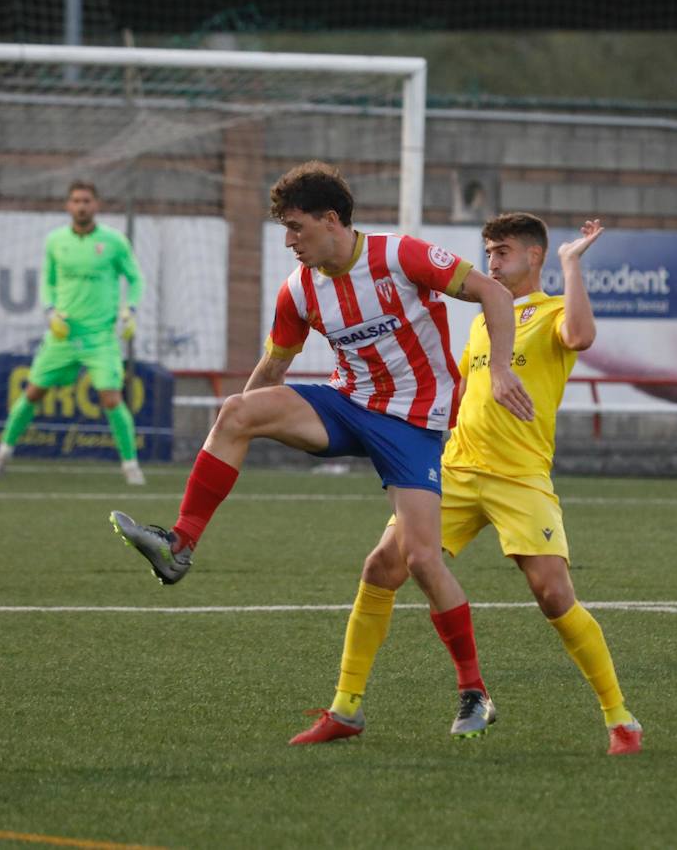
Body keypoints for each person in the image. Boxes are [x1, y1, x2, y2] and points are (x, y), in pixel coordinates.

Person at [108, 161, 535, 738]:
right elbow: (275, 366)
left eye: (295, 228)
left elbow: (490, 292)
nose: (289, 242)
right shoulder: (299, 289)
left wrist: (503, 368)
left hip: (415, 422)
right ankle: (179, 544)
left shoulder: (399, 255)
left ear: (331, 220)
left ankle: (474, 694)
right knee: (235, 409)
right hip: (346, 405)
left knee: (419, 561)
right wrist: (237, 428)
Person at [290, 213, 643, 756]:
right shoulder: (484, 319)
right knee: (381, 566)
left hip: (520, 476)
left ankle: (620, 719)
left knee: (552, 593)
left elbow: (581, 335)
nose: (491, 262)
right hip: (454, 467)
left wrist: (572, 265)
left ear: (533, 256)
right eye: (488, 252)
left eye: (502, 252)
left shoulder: (551, 313)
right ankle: (346, 706)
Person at [0, 180, 146, 484]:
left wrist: (131, 310)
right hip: (63, 334)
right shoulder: (55, 241)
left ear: (96, 205)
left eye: (86, 200)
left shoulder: (114, 242)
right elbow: (49, 281)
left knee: (111, 398)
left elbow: (135, 279)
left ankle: (131, 466)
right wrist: (49, 310)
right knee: (32, 392)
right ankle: (1, 455)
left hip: (101, 337)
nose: (81, 206)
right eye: (75, 201)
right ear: (68, 206)